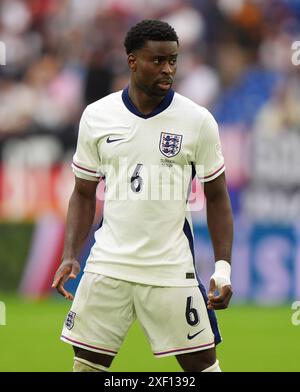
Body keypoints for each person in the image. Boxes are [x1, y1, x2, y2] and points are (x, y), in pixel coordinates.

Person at [52, 19, 233, 372]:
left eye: (173, 61)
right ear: (132, 60)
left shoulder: (198, 121)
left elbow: (218, 197)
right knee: (86, 366)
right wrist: (71, 254)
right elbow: (84, 192)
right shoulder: (97, 116)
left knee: (203, 368)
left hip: (169, 269)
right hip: (108, 265)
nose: (167, 70)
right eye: (157, 61)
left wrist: (223, 269)